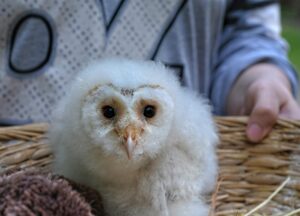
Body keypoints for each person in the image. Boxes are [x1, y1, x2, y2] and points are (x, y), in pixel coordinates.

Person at [0, 0, 299, 142]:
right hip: (12, 153)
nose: (129, 134)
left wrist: (256, 75)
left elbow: (244, 21)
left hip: (176, 171)